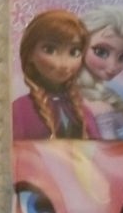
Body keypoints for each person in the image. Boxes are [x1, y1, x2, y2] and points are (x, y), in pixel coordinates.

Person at [12, 10, 99, 140]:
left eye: (74, 52)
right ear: (29, 54)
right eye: (50, 50)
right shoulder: (21, 110)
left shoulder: (82, 111)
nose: (64, 64)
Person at [78, 5, 123, 140]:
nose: (113, 66)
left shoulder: (108, 94)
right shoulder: (95, 105)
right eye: (101, 52)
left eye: (122, 56)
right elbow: (106, 150)